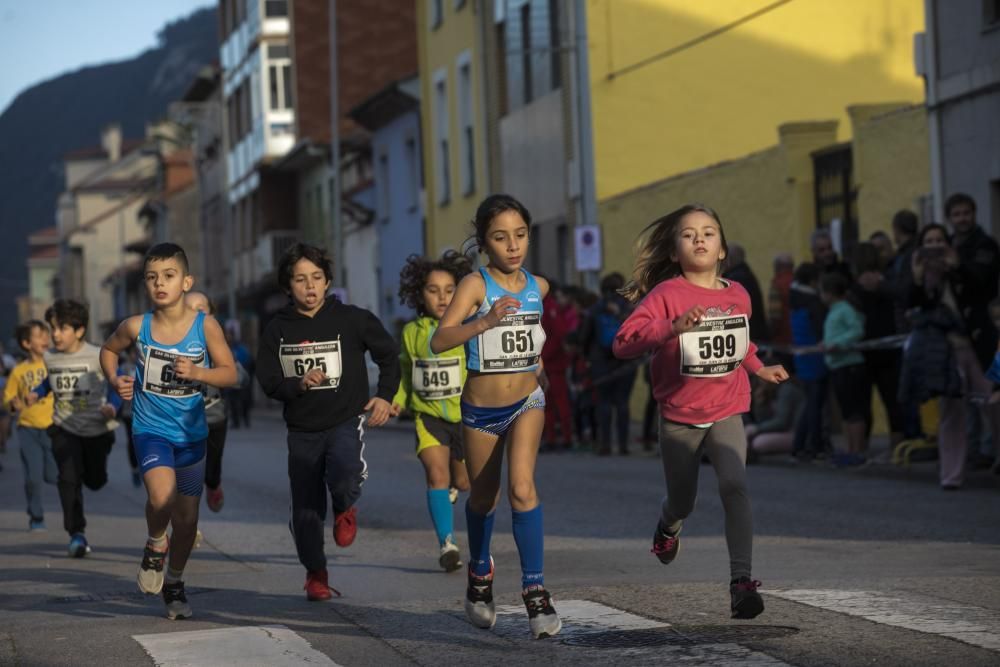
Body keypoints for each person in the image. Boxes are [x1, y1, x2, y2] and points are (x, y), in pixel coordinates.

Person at [612, 203, 788, 620]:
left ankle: (741, 582)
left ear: (723, 248)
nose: (699, 240)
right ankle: (668, 523)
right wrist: (670, 329)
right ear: (674, 252)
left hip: (727, 407)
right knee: (683, 500)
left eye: (708, 232)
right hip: (679, 414)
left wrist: (760, 368)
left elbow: (739, 341)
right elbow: (622, 343)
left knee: (735, 486)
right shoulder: (667, 294)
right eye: (689, 234)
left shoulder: (738, 294)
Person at [430, 194, 561, 639]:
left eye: (520, 235)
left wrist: (540, 372)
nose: (513, 245)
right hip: (482, 409)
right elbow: (440, 340)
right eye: (501, 238)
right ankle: (481, 572)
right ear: (485, 243)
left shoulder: (538, 287)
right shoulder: (475, 285)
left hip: (527, 401)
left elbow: (530, 340)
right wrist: (483, 324)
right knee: (483, 498)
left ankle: (535, 591)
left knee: (523, 489)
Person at [100, 243, 238, 620]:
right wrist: (116, 380)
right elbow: (108, 350)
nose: (160, 283)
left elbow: (230, 373)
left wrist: (198, 373)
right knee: (162, 499)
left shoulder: (204, 326)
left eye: (169, 275)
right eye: (152, 277)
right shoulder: (136, 326)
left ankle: (175, 581)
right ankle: (154, 542)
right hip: (151, 429)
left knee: (188, 520)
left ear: (186, 281)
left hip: (192, 435)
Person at [256, 243, 399, 601]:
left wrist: (384, 395)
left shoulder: (352, 319)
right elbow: (268, 380)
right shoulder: (277, 329)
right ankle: (315, 572)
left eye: (316, 278)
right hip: (302, 430)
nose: (310, 286)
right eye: (300, 279)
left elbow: (389, 355)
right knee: (305, 512)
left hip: (344, 420)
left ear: (328, 280)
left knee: (345, 471)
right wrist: (297, 384)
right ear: (288, 286)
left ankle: (345, 505)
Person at [389, 251, 473, 572]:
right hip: (428, 417)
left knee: (463, 483)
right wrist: (396, 399)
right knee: (435, 475)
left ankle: (454, 486)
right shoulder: (412, 334)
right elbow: (405, 372)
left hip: (465, 418)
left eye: (450, 289)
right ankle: (447, 543)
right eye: (433, 290)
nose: (442, 297)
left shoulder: (467, 329)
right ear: (419, 294)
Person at [900, 223, 1000, 489]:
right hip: (944, 351)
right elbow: (909, 305)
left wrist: (957, 267)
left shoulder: (961, 265)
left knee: (993, 402)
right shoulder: (919, 274)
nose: (934, 246)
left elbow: (982, 289)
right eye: (929, 241)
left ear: (948, 242)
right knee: (952, 412)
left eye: (939, 240)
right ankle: (952, 475)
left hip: (977, 346)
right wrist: (919, 278)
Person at [25, 300, 120, 557]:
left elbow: (115, 384)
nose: (55, 334)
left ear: (79, 331)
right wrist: (36, 393)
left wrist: (112, 406)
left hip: (96, 429)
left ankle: (95, 473)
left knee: (95, 480)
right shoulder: (50, 357)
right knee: (68, 478)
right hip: (64, 427)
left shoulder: (99, 355)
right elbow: (49, 381)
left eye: (62, 328)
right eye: (52, 328)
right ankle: (76, 534)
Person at [185, 292, 243, 513]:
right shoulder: (171, 342)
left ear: (211, 313)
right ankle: (187, 523)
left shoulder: (218, 342)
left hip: (213, 415)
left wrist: (229, 373)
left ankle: (213, 483)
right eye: (189, 308)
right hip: (181, 419)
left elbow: (239, 377)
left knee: (211, 468)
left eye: (201, 307)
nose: (196, 312)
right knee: (184, 474)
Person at [3, 321, 56, 531]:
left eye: (46, 335)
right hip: (28, 429)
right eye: (39, 336)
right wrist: (13, 405)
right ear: (26, 343)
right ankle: (36, 516)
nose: (45, 339)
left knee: (53, 476)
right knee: (33, 477)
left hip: (54, 427)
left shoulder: (54, 364)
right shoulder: (18, 371)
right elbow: (8, 399)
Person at [819, 272, 870, 465]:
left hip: (849, 365)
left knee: (853, 410)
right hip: (838, 365)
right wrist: (825, 343)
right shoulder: (835, 310)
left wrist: (837, 344)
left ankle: (858, 451)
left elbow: (857, 331)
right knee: (846, 410)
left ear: (829, 293)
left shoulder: (845, 309)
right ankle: (850, 449)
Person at [582, 272, 635, 456]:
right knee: (622, 402)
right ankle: (623, 445)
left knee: (603, 403)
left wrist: (588, 358)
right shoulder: (628, 309)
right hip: (625, 361)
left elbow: (585, 336)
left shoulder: (596, 309)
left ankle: (604, 444)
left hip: (600, 361)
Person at [789, 263, 829, 459]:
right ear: (814, 281)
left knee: (809, 403)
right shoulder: (814, 303)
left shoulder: (794, 299)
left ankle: (799, 444)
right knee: (815, 404)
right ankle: (814, 444)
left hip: (802, 355)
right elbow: (821, 330)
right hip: (816, 356)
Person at [540, 280, 578, 451]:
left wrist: (544, 357)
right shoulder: (545, 307)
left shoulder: (549, 308)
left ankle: (564, 437)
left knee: (558, 403)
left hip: (552, 364)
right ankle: (553, 438)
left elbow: (559, 336)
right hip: (548, 363)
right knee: (548, 403)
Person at [745, 371, 805, 460]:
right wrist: (759, 405)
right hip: (782, 432)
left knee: (759, 442)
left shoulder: (786, 390)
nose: (761, 381)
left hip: (797, 434)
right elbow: (763, 421)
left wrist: (757, 428)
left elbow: (782, 422)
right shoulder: (769, 391)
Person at [723, 243, 770, 343]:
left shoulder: (736, 279)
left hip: (747, 334)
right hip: (754, 331)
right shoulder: (746, 274)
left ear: (730, 259)